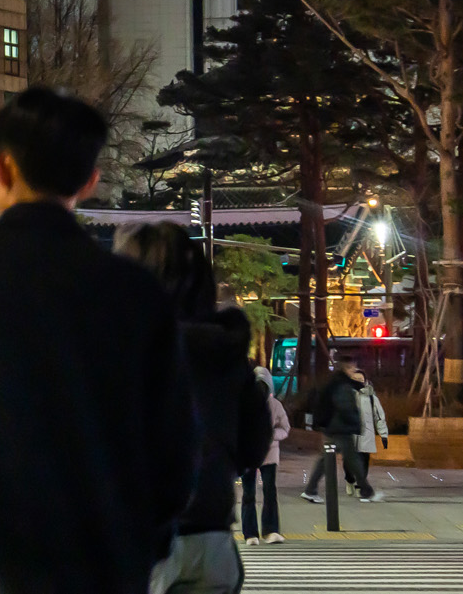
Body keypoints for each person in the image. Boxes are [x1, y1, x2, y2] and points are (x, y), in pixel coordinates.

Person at [0, 87, 198, 594]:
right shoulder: (134, 293)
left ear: (1, 167)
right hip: (105, 560)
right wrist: (144, 538)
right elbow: (174, 440)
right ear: (89, 181)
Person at [113, 224, 271, 593]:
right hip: (212, 538)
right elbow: (254, 445)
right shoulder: (226, 351)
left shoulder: (122, 350)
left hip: (142, 538)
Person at [303, 358, 375, 503]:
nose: (354, 372)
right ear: (347, 369)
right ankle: (366, 490)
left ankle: (310, 490)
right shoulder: (342, 386)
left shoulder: (335, 382)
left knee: (326, 459)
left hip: (332, 427)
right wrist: (355, 423)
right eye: (353, 369)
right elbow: (345, 407)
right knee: (352, 459)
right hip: (341, 428)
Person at [240, 366, 290, 545]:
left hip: (268, 452)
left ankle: (271, 530)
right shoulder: (243, 403)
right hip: (247, 452)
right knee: (249, 493)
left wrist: (271, 436)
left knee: (269, 491)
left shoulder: (275, 405)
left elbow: (285, 428)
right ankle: (250, 533)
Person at [350, 368, 391, 499]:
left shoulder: (371, 397)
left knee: (363, 460)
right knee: (351, 461)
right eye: (355, 380)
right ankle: (353, 482)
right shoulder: (346, 396)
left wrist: (383, 434)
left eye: (361, 380)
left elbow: (379, 416)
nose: (358, 382)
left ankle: (360, 486)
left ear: (366, 381)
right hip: (350, 434)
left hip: (366, 435)